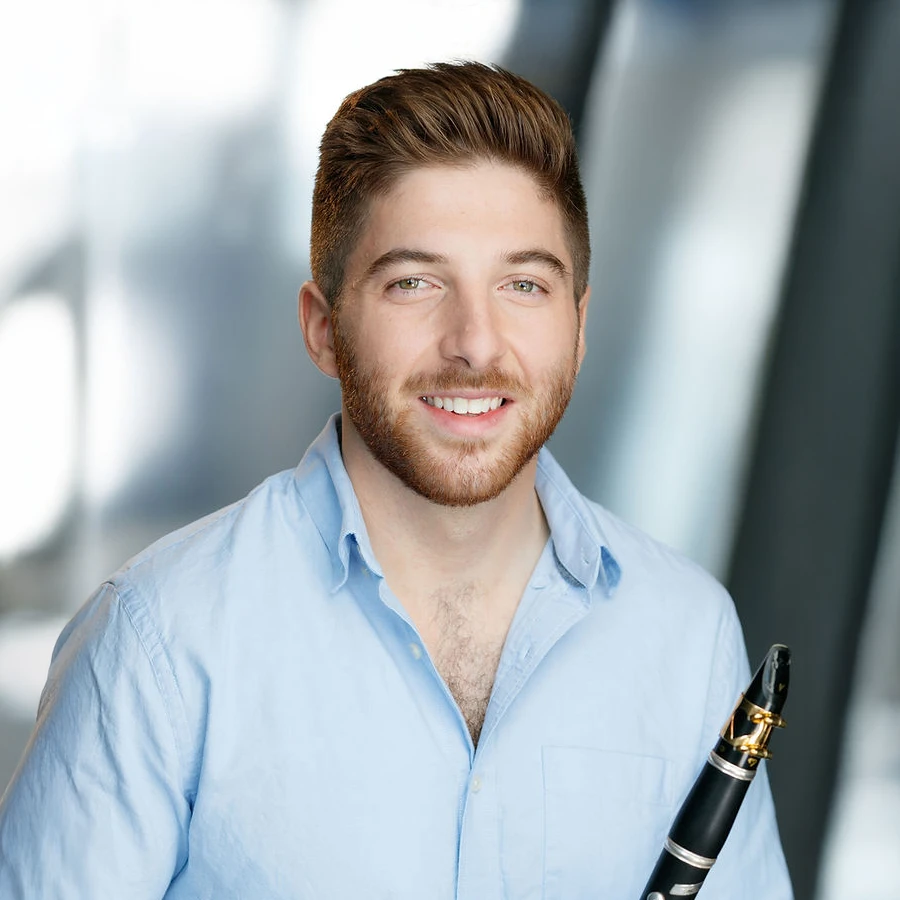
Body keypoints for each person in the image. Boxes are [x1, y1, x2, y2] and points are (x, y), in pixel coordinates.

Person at [0, 62, 792, 898]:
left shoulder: (686, 632)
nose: (476, 344)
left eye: (523, 285)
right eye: (415, 283)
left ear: (580, 325)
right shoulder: (158, 639)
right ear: (324, 329)